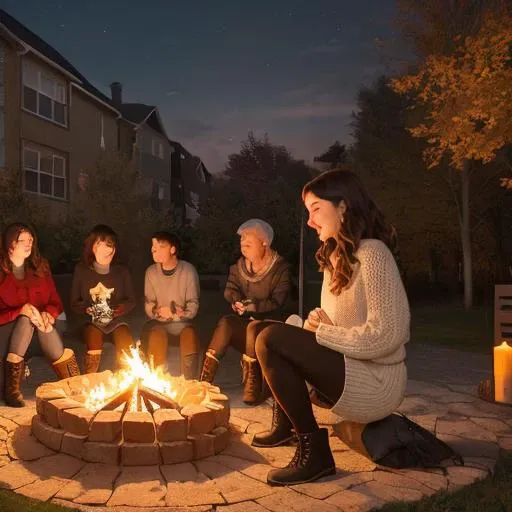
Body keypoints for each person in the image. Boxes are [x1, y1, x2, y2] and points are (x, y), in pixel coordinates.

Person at [251, 170, 410, 486]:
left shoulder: (374, 254)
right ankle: (286, 423)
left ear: (343, 207)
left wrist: (324, 333)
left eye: (315, 210)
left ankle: (315, 455)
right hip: (352, 366)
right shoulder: (335, 258)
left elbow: (388, 334)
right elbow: (346, 327)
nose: (310, 222)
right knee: (257, 329)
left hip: (378, 381)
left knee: (271, 338)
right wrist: (320, 325)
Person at [200, 218, 292, 405]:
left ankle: (253, 383)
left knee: (253, 328)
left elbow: (278, 301)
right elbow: (231, 289)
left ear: (264, 242)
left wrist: (253, 306)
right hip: (248, 326)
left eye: (249, 243)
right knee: (226, 322)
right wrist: (236, 301)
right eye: (242, 242)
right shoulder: (238, 267)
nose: (244, 246)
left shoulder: (281, 269)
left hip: (271, 331)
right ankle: (204, 382)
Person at [0, 223, 80, 407]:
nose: (28, 244)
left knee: (44, 324)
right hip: (6, 334)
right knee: (26, 319)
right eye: (22, 240)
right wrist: (20, 312)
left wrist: (48, 314)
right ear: (9, 243)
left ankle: (74, 383)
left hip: (37, 332)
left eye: (31, 240)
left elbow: (55, 301)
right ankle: (11, 391)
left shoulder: (40, 267)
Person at [70, 225, 136, 373]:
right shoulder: (81, 270)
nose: (107, 250)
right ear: (92, 247)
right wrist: (86, 308)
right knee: (94, 337)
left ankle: (125, 380)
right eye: (101, 245)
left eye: (110, 246)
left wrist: (119, 309)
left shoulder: (122, 272)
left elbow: (131, 300)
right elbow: (74, 303)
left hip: (116, 320)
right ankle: (90, 380)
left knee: (125, 338)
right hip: (90, 322)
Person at [142, 231, 200, 379]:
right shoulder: (151, 272)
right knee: (156, 335)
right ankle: (156, 382)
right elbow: (149, 303)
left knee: (190, 336)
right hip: (160, 323)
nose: (154, 249)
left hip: (184, 323)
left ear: (172, 249)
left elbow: (193, 303)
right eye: (153, 246)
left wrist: (181, 314)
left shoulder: (188, 271)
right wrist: (157, 311)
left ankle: (189, 383)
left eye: (160, 246)